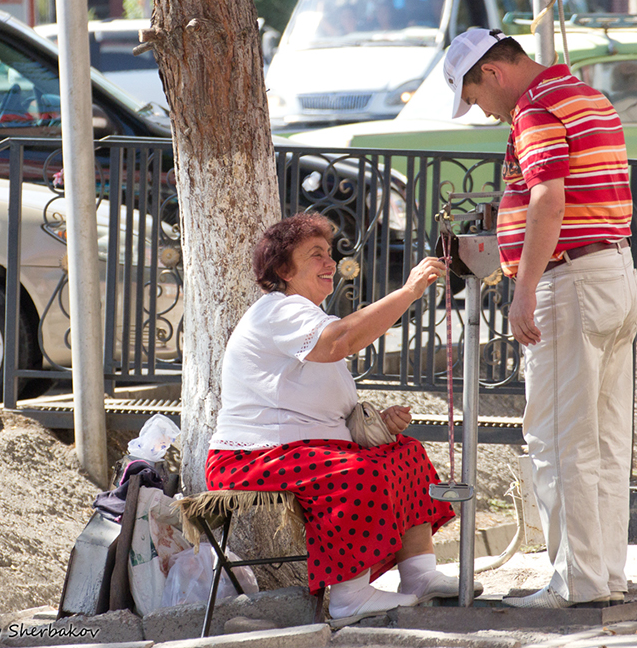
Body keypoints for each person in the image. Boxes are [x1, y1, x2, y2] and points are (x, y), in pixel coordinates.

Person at [443, 29, 637, 609]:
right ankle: (604, 575)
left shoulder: (535, 109)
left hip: (570, 280)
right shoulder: (585, 94)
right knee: (603, 440)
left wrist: (522, 288)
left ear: (494, 74)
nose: (484, 109)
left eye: (477, 97)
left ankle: (575, 582)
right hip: (613, 270)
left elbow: (547, 198)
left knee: (556, 439)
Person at [205, 213, 481, 622]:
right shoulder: (279, 311)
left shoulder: (306, 315)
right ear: (284, 269)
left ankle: (419, 576)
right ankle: (349, 595)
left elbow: (322, 405)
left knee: (405, 454)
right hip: (249, 459)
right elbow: (342, 341)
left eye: (329, 254)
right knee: (353, 472)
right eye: (315, 255)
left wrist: (377, 425)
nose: (329, 263)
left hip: (297, 450)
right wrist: (408, 291)